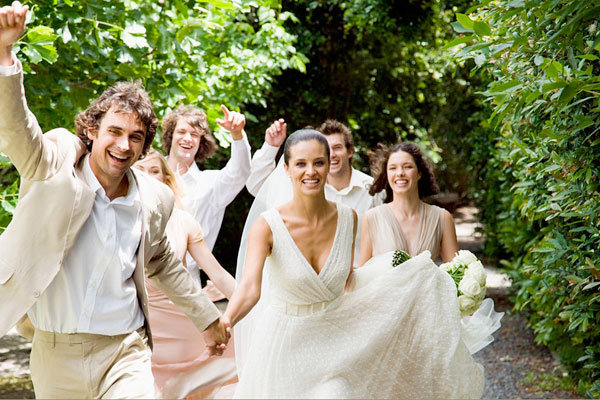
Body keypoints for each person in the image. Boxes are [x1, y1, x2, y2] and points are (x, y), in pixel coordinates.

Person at [0, 3, 228, 398]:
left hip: (124, 350)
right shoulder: (52, 165)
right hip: (55, 352)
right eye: (115, 131)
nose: (123, 145)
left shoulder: (155, 199)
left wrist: (207, 319)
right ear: (92, 129)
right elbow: (16, 127)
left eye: (136, 137)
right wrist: (6, 57)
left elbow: (163, 264)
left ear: (144, 147)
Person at [223, 129, 485, 398]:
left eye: (319, 163)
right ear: (287, 169)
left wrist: (411, 279)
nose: (310, 171)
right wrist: (226, 321)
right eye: (301, 164)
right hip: (282, 344)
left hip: (331, 343)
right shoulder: (267, 226)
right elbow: (250, 288)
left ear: (329, 165)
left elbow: (350, 281)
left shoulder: (349, 219)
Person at [134, 150, 238, 398]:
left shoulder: (184, 222)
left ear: (166, 179)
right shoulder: (117, 217)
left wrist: (253, 301)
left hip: (183, 331)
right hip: (139, 329)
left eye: (154, 171)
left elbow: (219, 275)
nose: (148, 176)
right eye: (141, 170)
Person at [246, 118, 383, 266]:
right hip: (309, 279)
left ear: (350, 151)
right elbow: (256, 185)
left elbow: (383, 238)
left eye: (337, 147)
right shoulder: (306, 186)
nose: (332, 154)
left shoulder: (373, 190)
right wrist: (271, 146)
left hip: (358, 280)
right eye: (327, 149)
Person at [359, 141, 459, 265]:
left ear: (419, 173)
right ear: (387, 174)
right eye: (393, 168)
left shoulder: (442, 218)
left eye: (407, 167)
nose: (400, 173)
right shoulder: (371, 218)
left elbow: (456, 273)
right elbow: (363, 275)